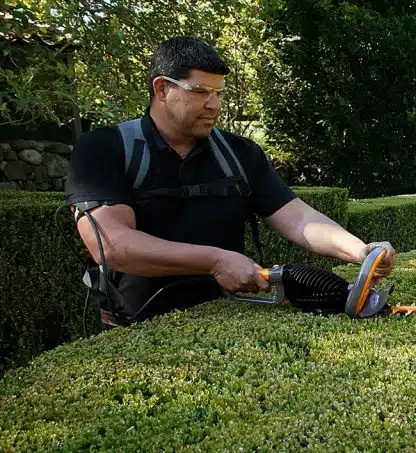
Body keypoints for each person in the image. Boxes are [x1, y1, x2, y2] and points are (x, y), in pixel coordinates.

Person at [64, 36, 395, 329]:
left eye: (218, 93)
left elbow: (296, 216)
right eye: (201, 92)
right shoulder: (104, 149)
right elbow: (111, 245)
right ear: (162, 89)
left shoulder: (240, 154)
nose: (215, 105)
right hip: (132, 322)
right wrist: (216, 260)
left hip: (229, 312)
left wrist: (360, 250)